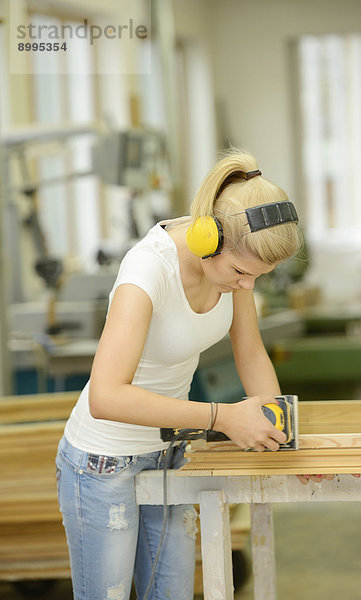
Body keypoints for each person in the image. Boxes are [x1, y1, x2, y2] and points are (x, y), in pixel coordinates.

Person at [56, 149, 303, 600]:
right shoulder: (147, 271)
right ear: (211, 240)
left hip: (169, 455)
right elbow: (106, 397)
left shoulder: (233, 268)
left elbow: (249, 353)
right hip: (103, 463)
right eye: (242, 272)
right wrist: (224, 417)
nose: (247, 285)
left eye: (257, 277)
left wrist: (276, 431)